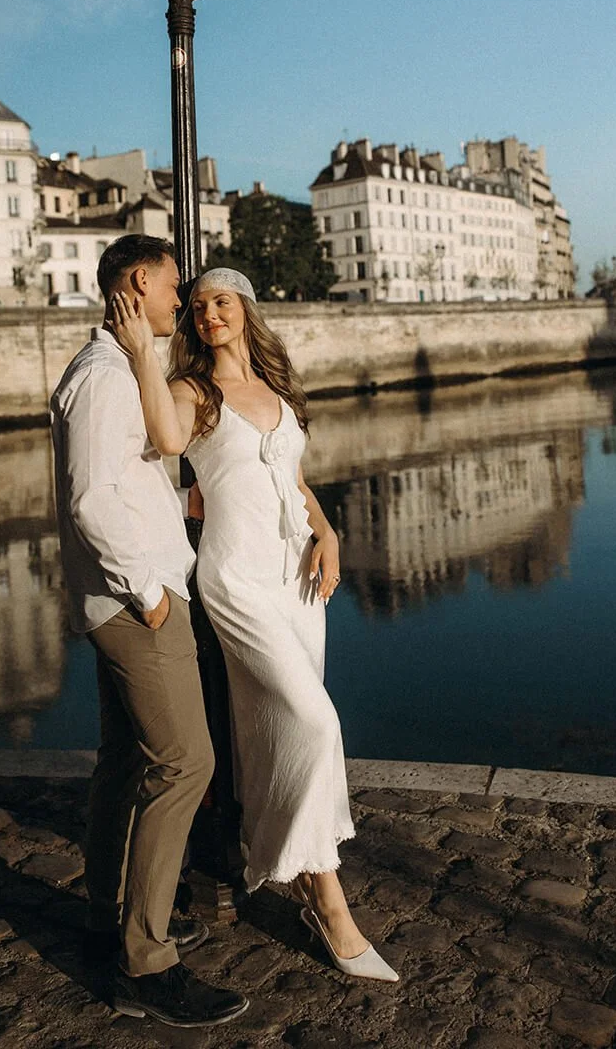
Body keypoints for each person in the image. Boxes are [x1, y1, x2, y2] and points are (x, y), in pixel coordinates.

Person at [108, 266, 399, 982]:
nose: (208, 313)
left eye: (221, 302)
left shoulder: (276, 386)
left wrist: (326, 530)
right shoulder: (192, 391)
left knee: (274, 729)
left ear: (244, 310)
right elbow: (171, 444)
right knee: (313, 722)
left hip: (297, 575)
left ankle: (290, 868)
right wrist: (145, 355)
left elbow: (291, 478)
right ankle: (327, 902)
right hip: (236, 578)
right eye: (198, 304)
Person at [49, 236, 249, 1028]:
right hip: (136, 603)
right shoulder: (103, 379)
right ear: (138, 283)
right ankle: (146, 957)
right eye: (174, 288)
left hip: (118, 598)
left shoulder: (103, 369)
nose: (180, 303)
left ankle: (109, 918)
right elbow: (93, 499)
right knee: (184, 764)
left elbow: (123, 483)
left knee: (124, 762)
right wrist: (152, 596)